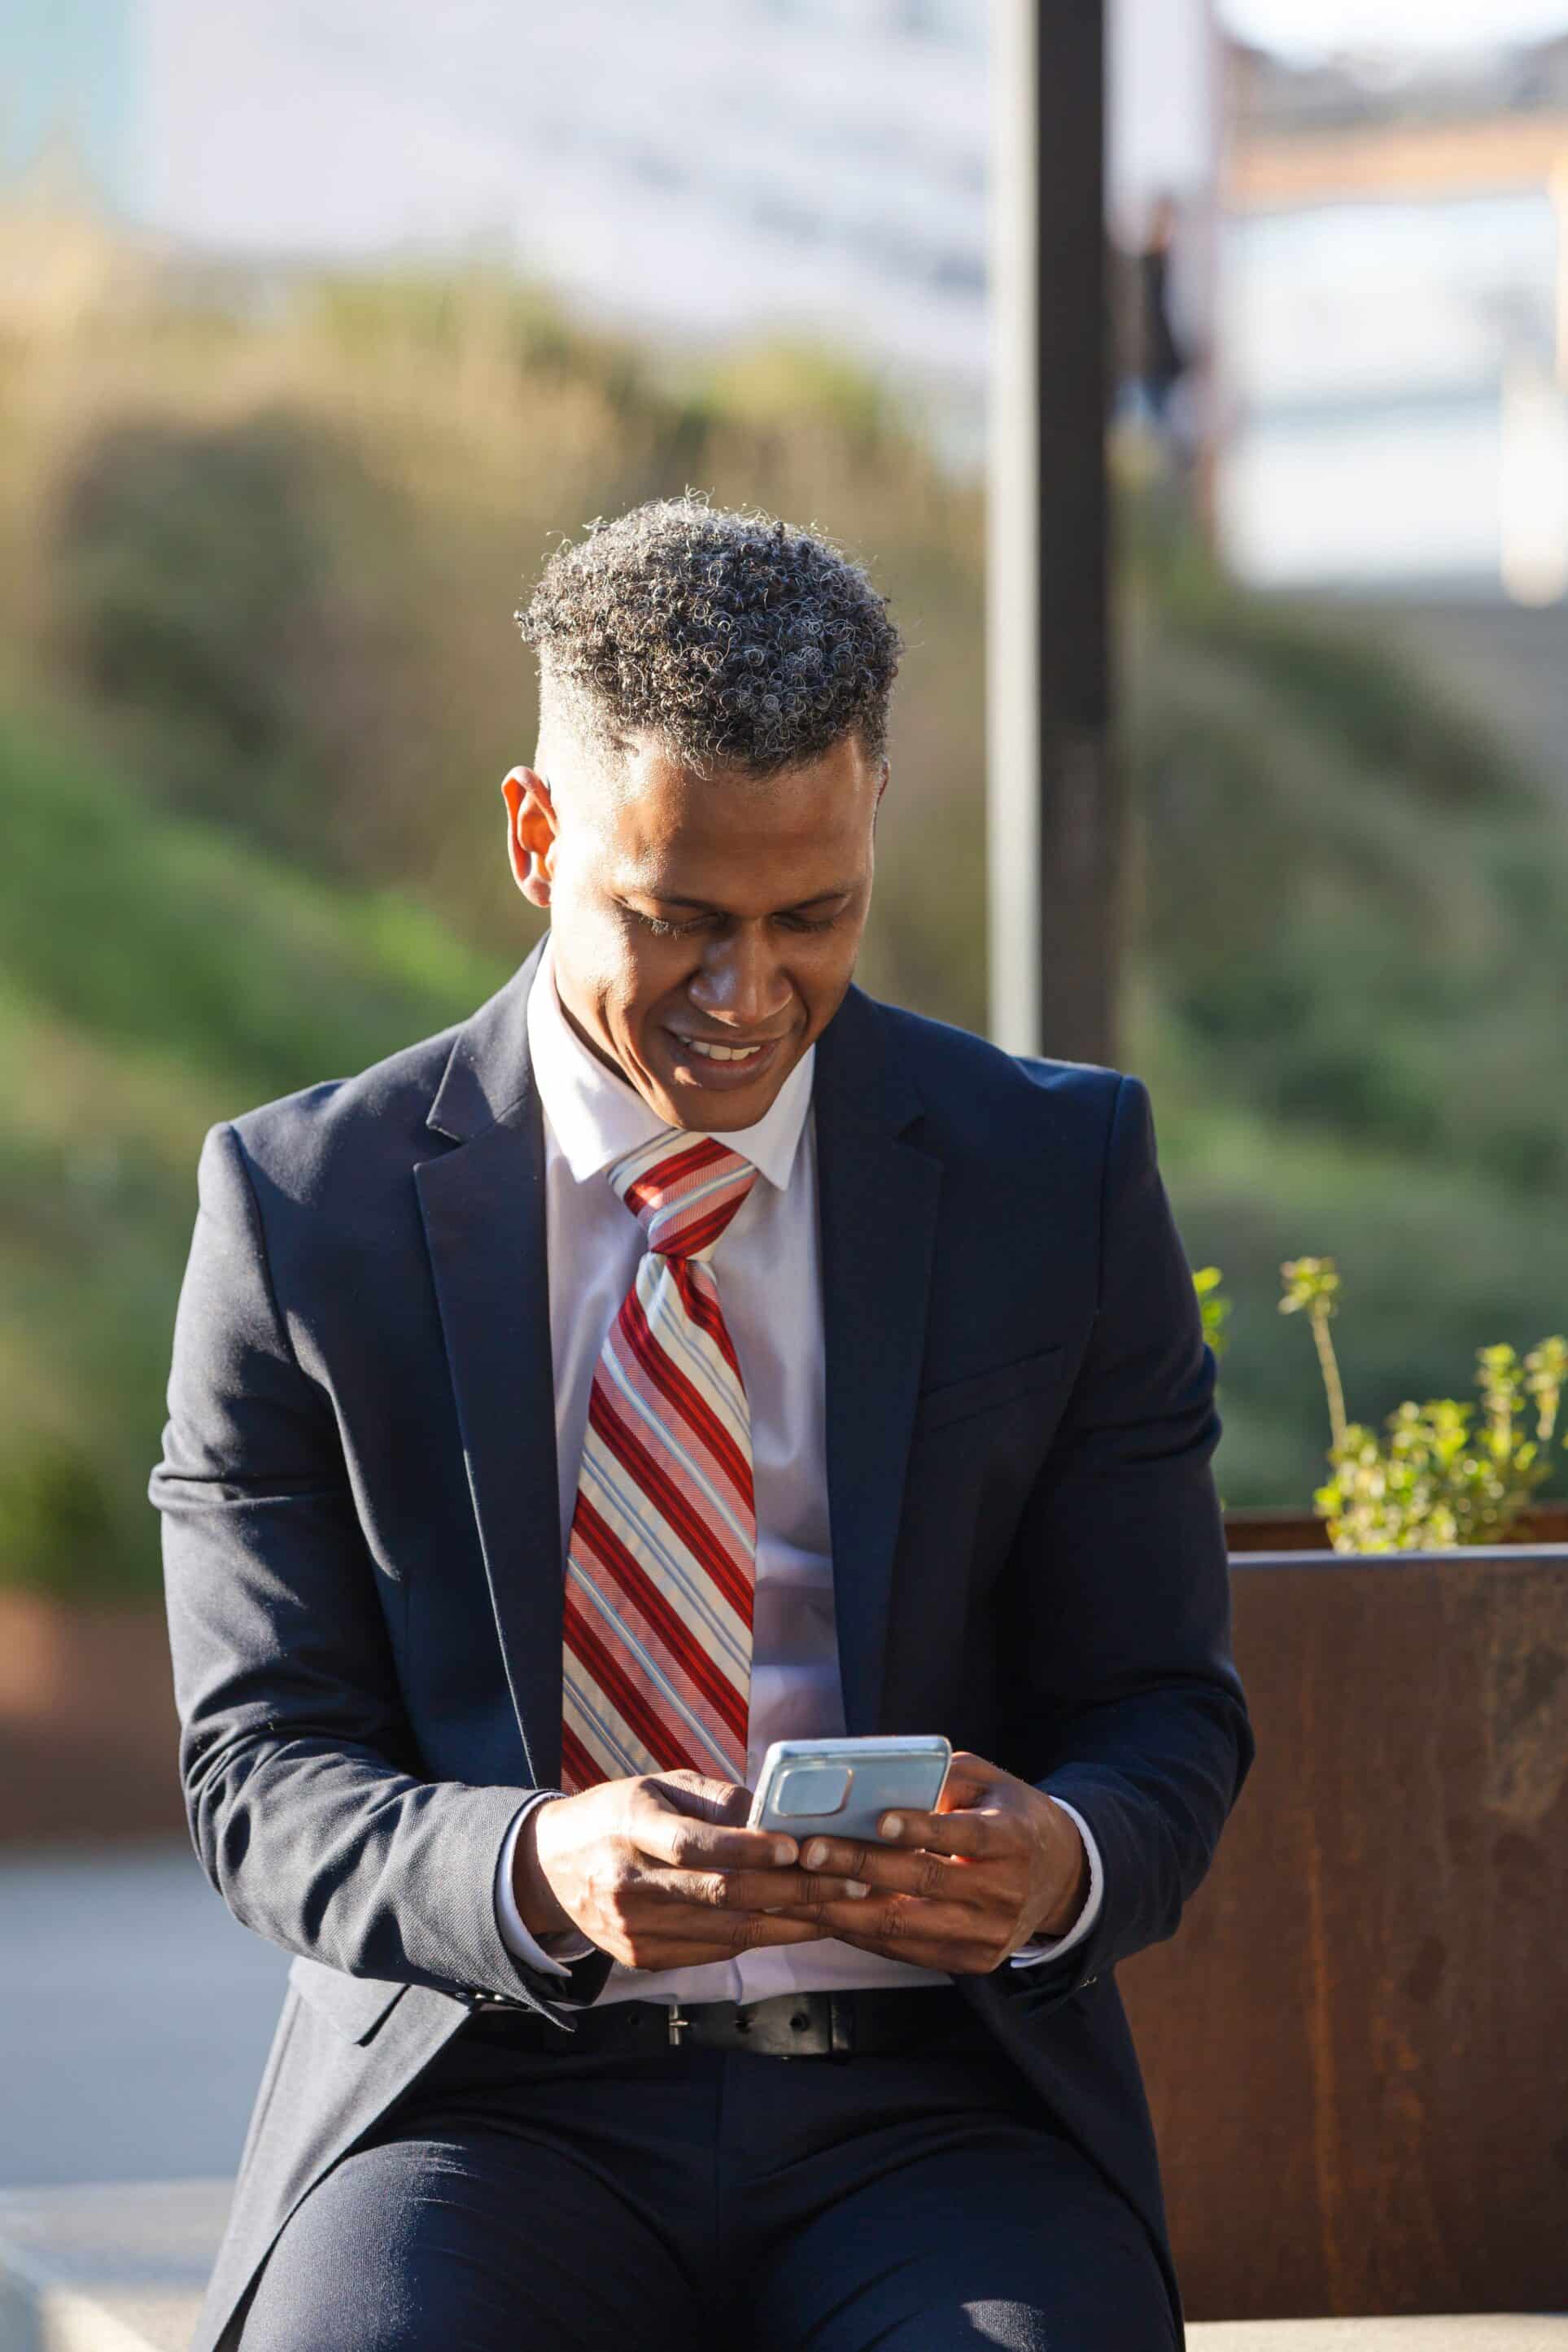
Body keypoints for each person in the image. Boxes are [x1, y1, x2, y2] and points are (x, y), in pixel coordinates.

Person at [152, 496, 1252, 2351]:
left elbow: (1164, 1707)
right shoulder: (303, 1211)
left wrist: (1055, 1856)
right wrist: (533, 1862)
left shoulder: (1051, 1179)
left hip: (936, 2105)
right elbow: (254, 1770)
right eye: (676, 921)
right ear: (535, 834)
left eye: (809, 915)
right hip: (481, 2091)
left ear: (870, 831)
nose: (747, 997)